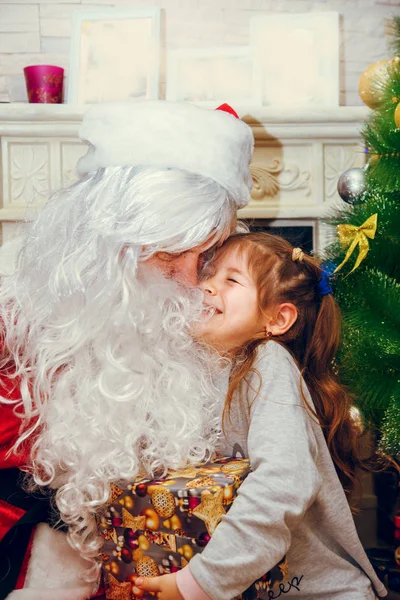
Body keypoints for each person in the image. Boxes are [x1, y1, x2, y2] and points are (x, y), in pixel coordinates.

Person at [0, 100, 254, 599]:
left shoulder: (215, 322)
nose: (189, 280)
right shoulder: (20, 328)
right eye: (167, 253)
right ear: (105, 247)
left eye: (204, 256)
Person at [136, 231, 388, 600]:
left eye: (231, 279)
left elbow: (285, 479)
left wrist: (202, 581)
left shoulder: (266, 364)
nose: (205, 286)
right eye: (208, 274)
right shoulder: (194, 371)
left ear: (277, 319)